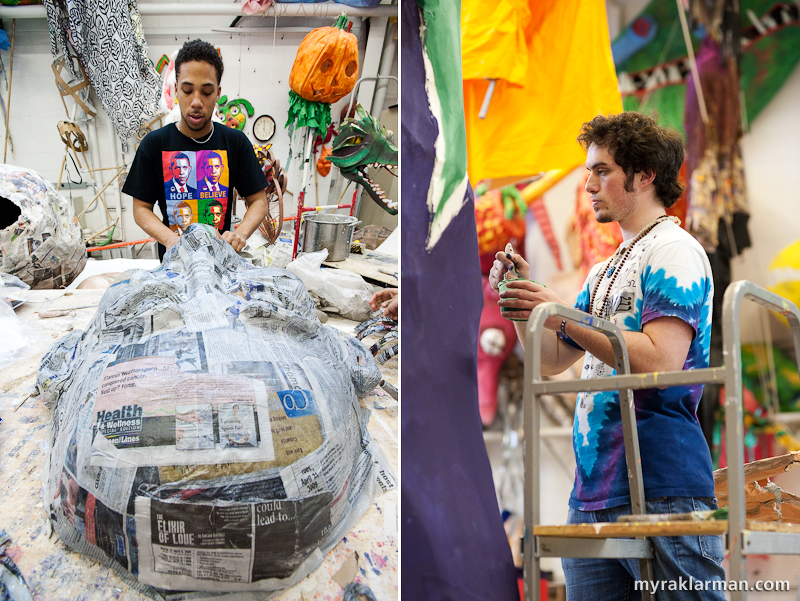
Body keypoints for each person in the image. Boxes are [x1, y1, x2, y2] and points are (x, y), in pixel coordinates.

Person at [489, 112, 724, 599]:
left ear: (644, 176)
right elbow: (549, 361)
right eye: (588, 169)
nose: (587, 182)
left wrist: (558, 311)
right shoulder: (604, 270)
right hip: (595, 490)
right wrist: (523, 302)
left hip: (661, 484)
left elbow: (661, 361)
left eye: (602, 171)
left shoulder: (673, 251)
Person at [124, 39, 268, 260]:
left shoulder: (235, 142)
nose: (196, 101)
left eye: (207, 92)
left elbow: (259, 200)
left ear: (218, 93)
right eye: (188, 90)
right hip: (175, 266)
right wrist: (170, 239)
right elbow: (141, 208)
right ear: (176, 90)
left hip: (219, 264)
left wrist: (241, 233)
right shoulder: (155, 144)